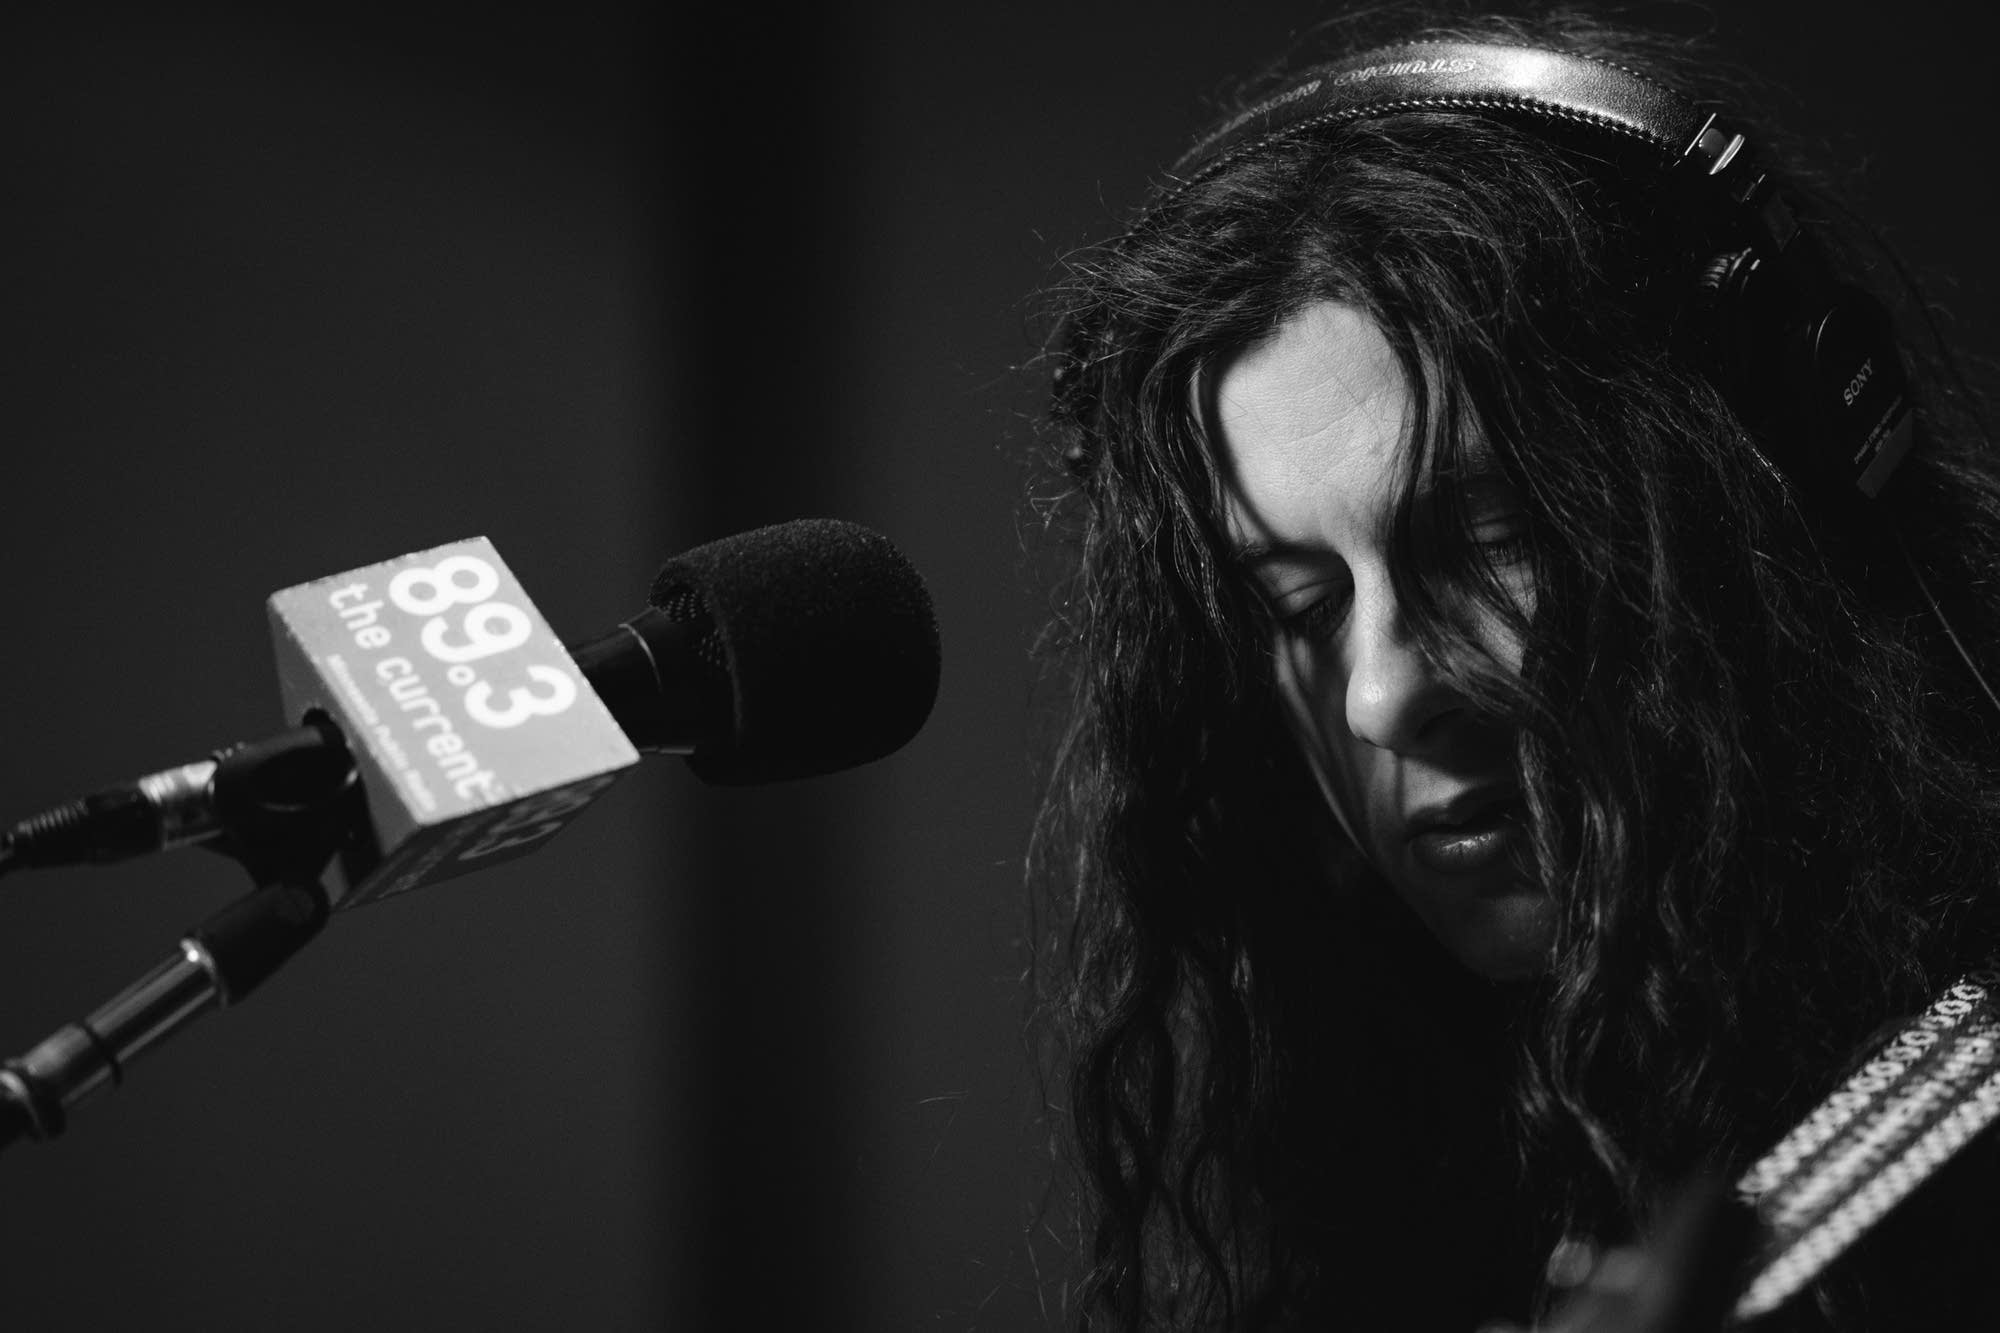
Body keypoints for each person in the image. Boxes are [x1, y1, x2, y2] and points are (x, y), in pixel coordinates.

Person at [1028, 8, 2000, 1331]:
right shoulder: (1402, 1182)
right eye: (1299, 602)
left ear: (1752, 498)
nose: (1382, 692)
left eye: (1480, 542)